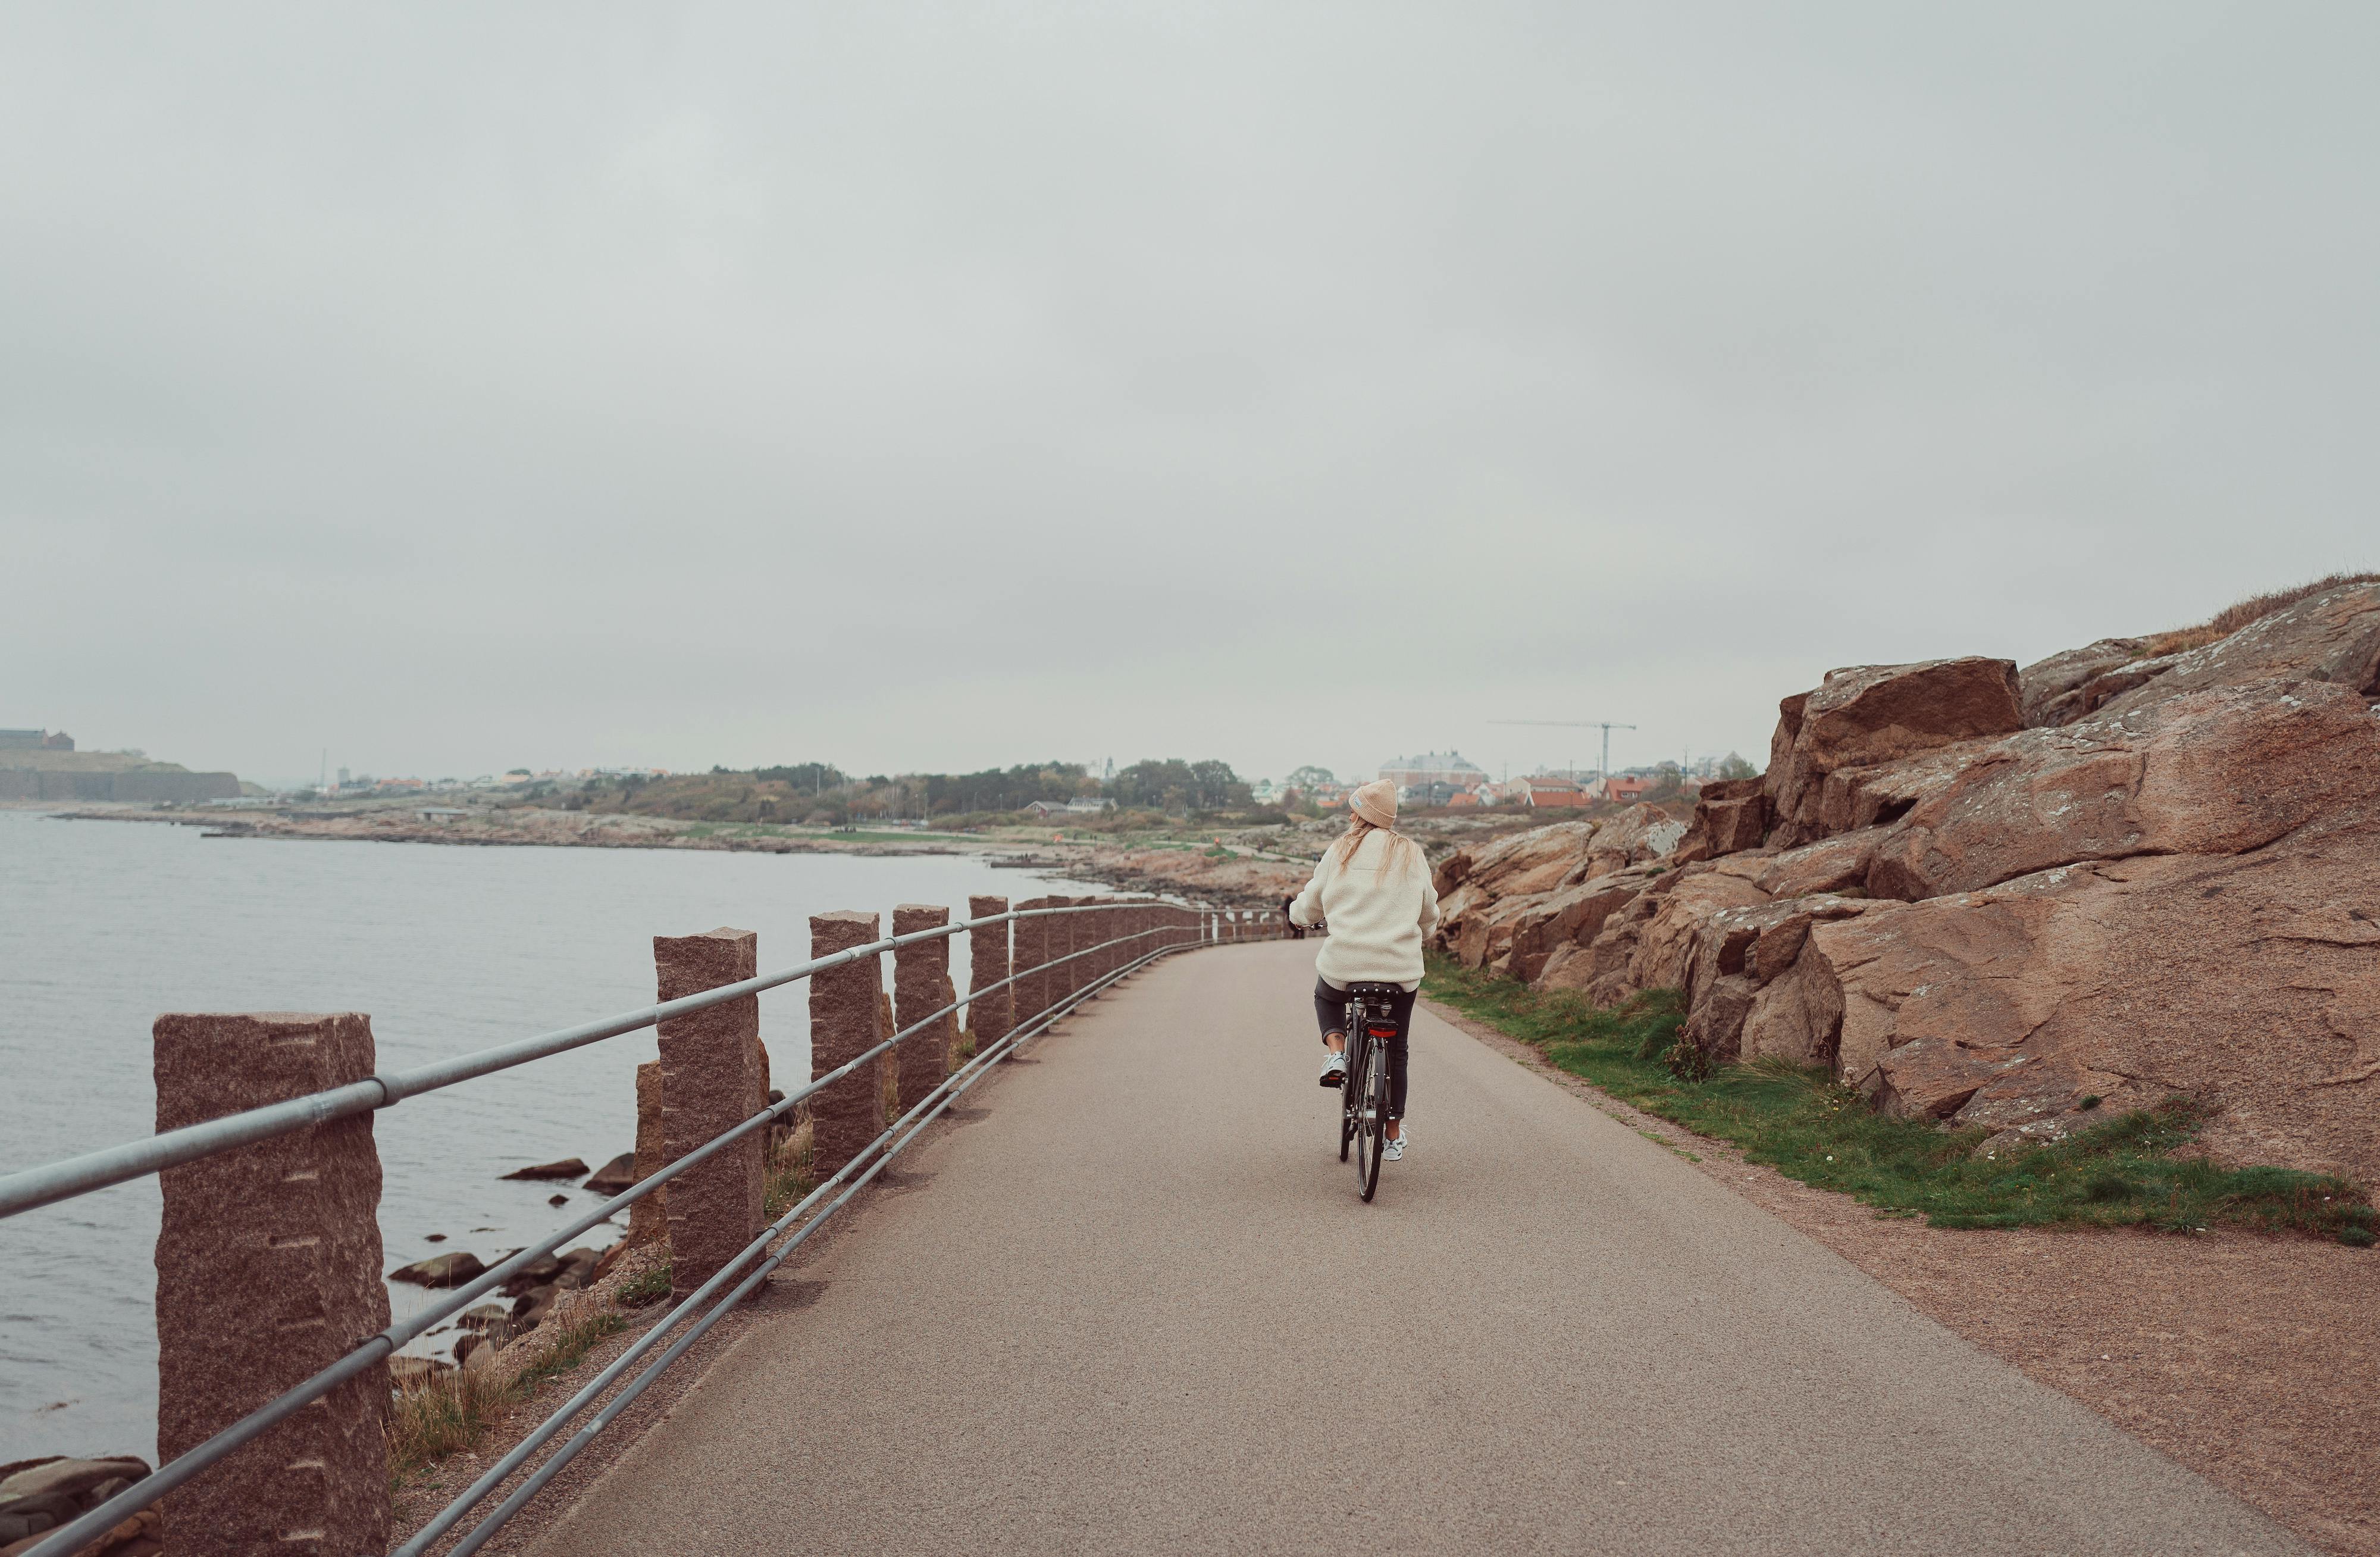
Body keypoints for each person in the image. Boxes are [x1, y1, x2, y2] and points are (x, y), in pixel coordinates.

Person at [1283, 778, 1440, 1161]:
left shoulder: (1341, 850)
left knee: (1326, 994)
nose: (1350, 816)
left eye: (1353, 810)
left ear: (1362, 816)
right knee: (1398, 1047)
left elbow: (1312, 901)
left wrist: (1298, 917)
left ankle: (1337, 1052)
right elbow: (1428, 910)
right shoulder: (1411, 853)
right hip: (1399, 970)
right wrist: (1425, 930)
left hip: (1346, 964)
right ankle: (1392, 1133)